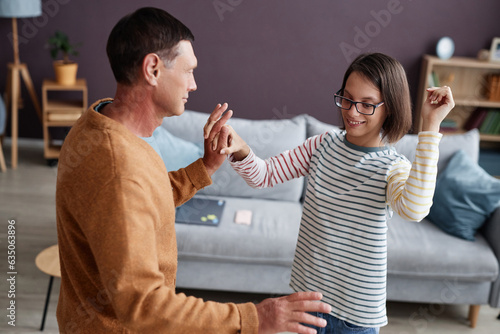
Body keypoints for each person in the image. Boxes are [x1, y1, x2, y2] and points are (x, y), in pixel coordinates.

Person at [55, 7, 331, 334]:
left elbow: (141, 204)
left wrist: (205, 166)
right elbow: (143, 306)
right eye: (188, 71)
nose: (194, 84)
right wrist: (255, 318)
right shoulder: (119, 166)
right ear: (153, 69)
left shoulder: (98, 123)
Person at [211, 53, 455, 333]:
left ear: (390, 108)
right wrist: (240, 147)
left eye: (367, 105)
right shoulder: (321, 146)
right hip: (308, 302)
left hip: (357, 315)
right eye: (348, 99)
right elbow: (264, 175)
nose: (352, 112)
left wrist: (431, 126)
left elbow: (414, 209)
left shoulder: (392, 167)